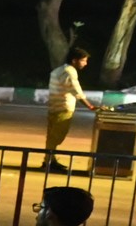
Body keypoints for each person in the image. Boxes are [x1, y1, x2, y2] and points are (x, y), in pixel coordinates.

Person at [42, 44, 107, 172]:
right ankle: (48, 162)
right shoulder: (69, 71)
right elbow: (77, 91)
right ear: (74, 60)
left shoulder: (58, 70)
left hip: (53, 107)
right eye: (83, 60)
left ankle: (50, 160)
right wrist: (90, 106)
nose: (85, 63)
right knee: (57, 136)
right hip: (63, 107)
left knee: (52, 136)